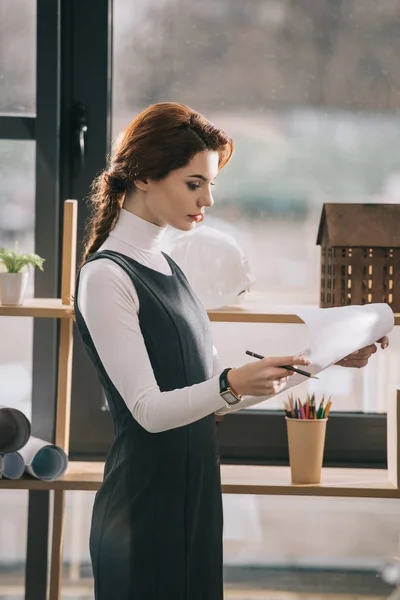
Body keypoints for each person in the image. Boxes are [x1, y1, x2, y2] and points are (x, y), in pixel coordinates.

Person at [73, 102, 388, 600]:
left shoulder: (168, 266)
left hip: (197, 497)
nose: (209, 200)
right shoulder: (106, 276)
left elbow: (216, 393)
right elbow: (148, 412)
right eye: (194, 183)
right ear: (146, 177)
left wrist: (325, 356)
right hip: (143, 508)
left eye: (211, 185)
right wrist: (228, 384)